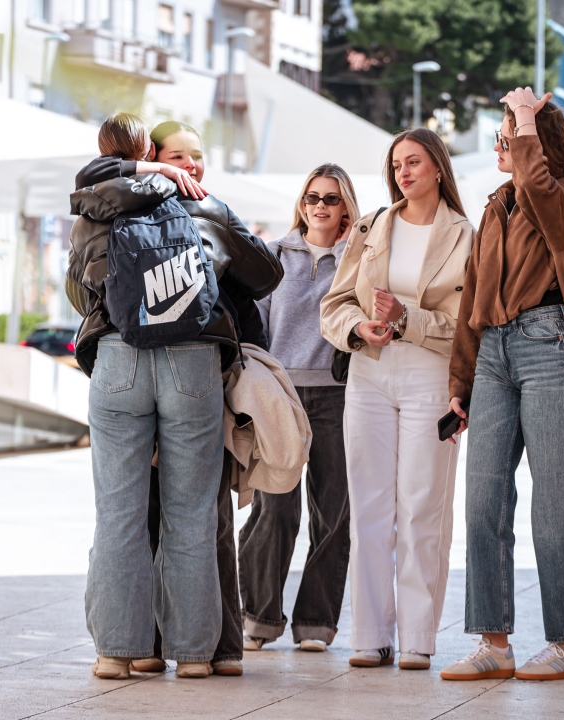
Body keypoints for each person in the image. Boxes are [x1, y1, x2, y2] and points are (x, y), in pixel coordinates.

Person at [66, 114, 282, 681]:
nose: (189, 164)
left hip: (117, 357)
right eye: (181, 155)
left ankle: (116, 651)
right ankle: (193, 655)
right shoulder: (202, 202)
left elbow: (77, 288)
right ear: (158, 153)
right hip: (193, 359)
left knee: (119, 513)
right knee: (190, 515)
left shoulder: (96, 202)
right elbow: (265, 273)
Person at [441, 87, 564, 682]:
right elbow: (472, 301)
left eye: (508, 135)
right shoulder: (495, 206)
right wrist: (460, 379)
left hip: (548, 347)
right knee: (483, 503)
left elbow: (544, 196)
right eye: (503, 134)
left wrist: (528, 118)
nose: (499, 145)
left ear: (537, 142)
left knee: (551, 508)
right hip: (493, 356)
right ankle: (494, 643)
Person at [320, 128, 475, 671]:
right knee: (367, 506)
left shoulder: (465, 235)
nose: (402, 172)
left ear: (437, 167)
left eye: (413, 162)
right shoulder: (371, 226)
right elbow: (334, 303)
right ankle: (370, 633)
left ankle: (416, 637)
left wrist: (406, 320)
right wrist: (361, 326)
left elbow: (467, 328)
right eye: (395, 164)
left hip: (431, 379)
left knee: (421, 507)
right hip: (369, 374)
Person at [237, 164, 360, 654]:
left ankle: (316, 623)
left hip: (335, 394)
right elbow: (256, 325)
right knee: (274, 510)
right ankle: (259, 616)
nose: (320, 206)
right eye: (312, 197)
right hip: (281, 397)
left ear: (345, 207)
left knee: (332, 513)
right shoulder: (274, 256)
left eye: (331, 199)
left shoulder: (358, 260)